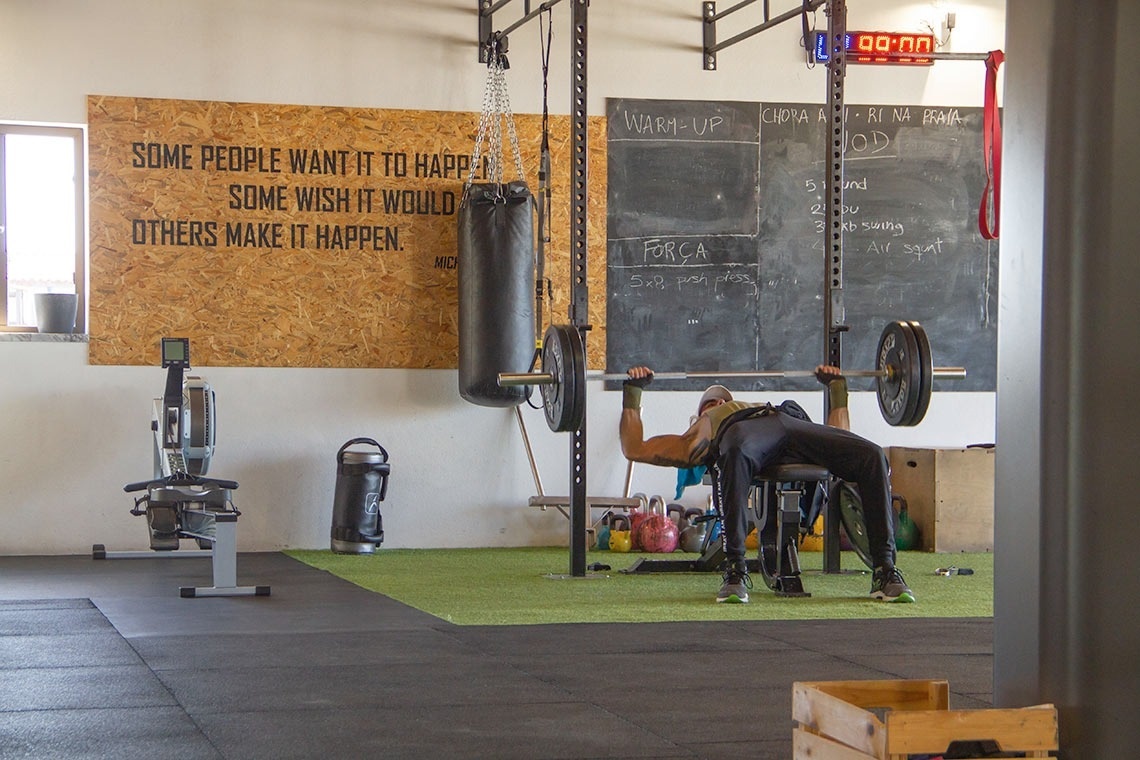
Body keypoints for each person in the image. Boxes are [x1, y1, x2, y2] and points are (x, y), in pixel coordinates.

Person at [619, 365, 914, 605]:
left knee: (871, 456)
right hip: (745, 435)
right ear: (699, 416)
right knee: (734, 455)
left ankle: (884, 571)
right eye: (710, 402)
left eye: (722, 399)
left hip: (788, 417)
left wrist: (837, 387)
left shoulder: (754, 407)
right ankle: (735, 570)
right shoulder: (706, 427)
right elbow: (635, 448)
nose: (719, 402)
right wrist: (633, 392)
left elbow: (839, 433)